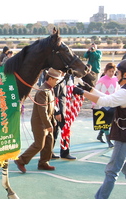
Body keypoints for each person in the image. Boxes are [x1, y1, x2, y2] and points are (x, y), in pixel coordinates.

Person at [73, 59, 126, 199]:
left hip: (123, 136)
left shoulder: (124, 93)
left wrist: (81, 92)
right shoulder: (123, 91)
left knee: (112, 171)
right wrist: (88, 88)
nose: (116, 76)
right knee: (123, 167)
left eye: (118, 74)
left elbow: (104, 102)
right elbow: (108, 97)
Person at [14, 68, 63, 173]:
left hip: (47, 122)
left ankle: (44, 162)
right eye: (56, 80)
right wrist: (48, 124)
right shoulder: (43, 91)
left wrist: (52, 120)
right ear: (50, 78)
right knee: (39, 144)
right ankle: (21, 160)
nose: (57, 82)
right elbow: (42, 110)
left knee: (49, 143)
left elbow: (51, 106)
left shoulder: (50, 89)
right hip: (39, 123)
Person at [94, 63, 119, 148]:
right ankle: (109, 141)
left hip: (113, 103)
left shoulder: (116, 79)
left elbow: (118, 91)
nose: (111, 73)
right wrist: (94, 103)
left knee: (110, 122)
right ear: (106, 71)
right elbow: (95, 91)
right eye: (109, 71)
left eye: (113, 71)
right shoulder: (101, 80)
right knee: (105, 122)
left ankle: (100, 135)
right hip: (103, 103)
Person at [52, 75, 77, 160]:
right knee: (56, 132)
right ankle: (52, 152)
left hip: (64, 110)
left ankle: (63, 151)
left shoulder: (68, 78)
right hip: (58, 111)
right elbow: (54, 98)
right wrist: (57, 112)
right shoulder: (58, 81)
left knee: (62, 131)